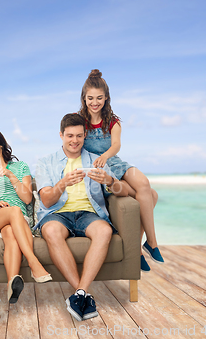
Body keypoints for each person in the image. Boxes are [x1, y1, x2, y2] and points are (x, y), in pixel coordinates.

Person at [35, 113, 127, 321]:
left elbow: (125, 191)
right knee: (50, 230)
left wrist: (110, 180)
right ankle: (83, 294)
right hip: (57, 214)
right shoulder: (45, 162)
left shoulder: (97, 160)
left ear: (85, 135)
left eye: (79, 136)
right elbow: (46, 201)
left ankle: (79, 293)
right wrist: (62, 183)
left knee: (104, 230)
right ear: (61, 135)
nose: (74, 141)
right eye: (69, 136)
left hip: (88, 214)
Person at [78, 69, 162, 272]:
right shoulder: (78, 119)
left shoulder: (113, 121)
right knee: (151, 196)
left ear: (106, 98)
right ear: (84, 98)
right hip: (95, 168)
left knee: (145, 185)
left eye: (99, 98)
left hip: (113, 161)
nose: (95, 102)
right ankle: (140, 249)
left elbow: (116, 145)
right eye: (90, 98)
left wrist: (106, 155)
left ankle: (151, 242)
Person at [0, 127, 52, 304]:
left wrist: (10, 175)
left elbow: (27, 198)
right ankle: (33, 262)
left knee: (10, 233)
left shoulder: (20, 166)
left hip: (18, 219)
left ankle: (11, 283)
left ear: (0, 145)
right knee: (13, 211)